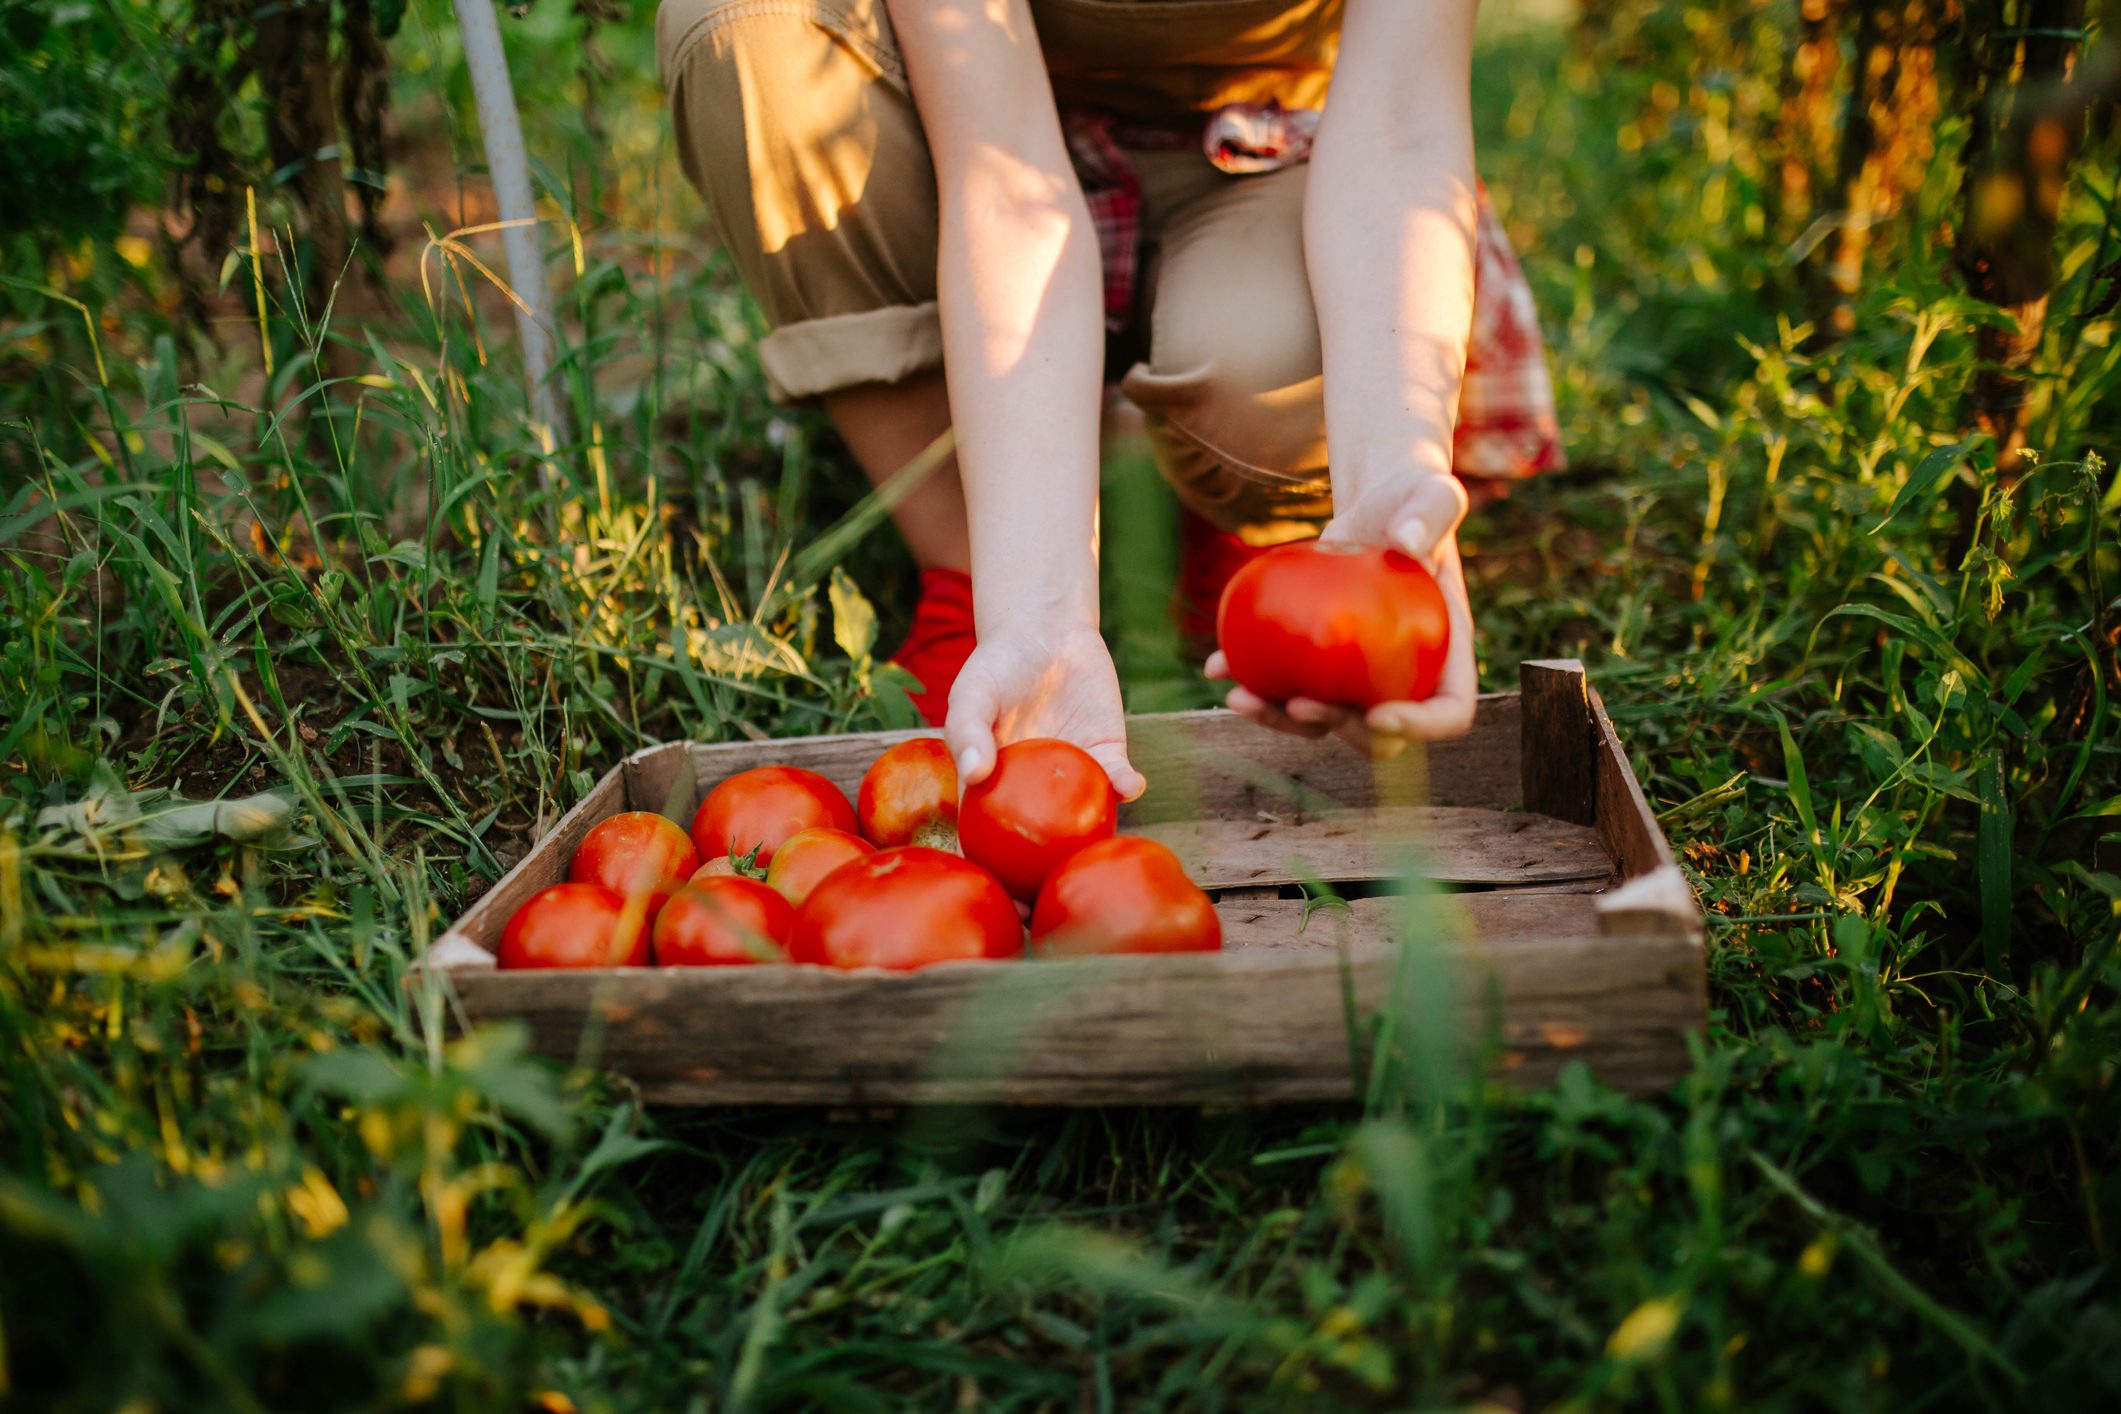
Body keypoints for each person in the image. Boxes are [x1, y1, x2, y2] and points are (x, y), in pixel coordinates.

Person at [656, 0, 1560, 800]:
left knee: (1259, 364)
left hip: (1277, 151)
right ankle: (970, 574)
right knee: (739, 20)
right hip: (964, 137)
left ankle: (1254, 529)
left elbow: (1400, 124)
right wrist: (1033, 613)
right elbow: (1006, 179)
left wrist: (1391, 473)